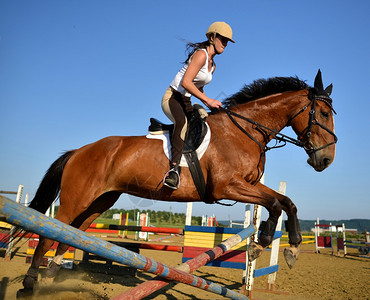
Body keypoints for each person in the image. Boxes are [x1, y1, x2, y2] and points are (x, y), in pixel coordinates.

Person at [161, 21, 235, 190]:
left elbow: (198, 88)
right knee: (183, 123)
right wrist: (208, 100)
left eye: (227, 41)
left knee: (204, 120)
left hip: (186, 101)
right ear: (212, 37)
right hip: (172, 98)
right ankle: (173, 170)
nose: (225, 44)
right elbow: (186, 82)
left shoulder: (213, 66)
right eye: (222, 39)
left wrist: (206, 103)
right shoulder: (201, 55)